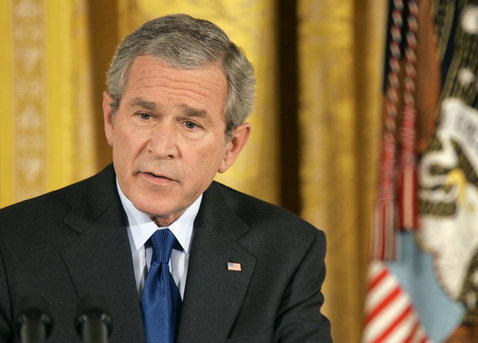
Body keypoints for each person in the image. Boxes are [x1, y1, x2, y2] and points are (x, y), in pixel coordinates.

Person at [0, 14, 332, 342]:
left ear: (231, 146)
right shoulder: (14, 244)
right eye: (145, 115)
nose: (161, 148)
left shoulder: (286, 251)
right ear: (110, 118)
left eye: (190, 124)